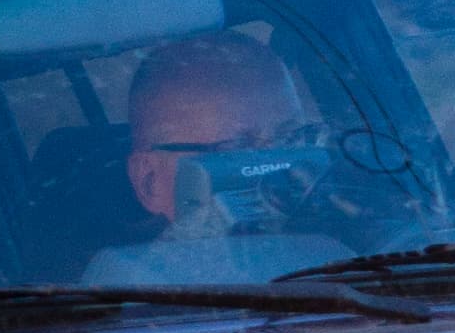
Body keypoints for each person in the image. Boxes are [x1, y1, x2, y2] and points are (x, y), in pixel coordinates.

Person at [83, 34, 332, 283]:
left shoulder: (346, 255)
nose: (281, 168)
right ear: (151, 182)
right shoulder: (128, 290)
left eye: (290, 138)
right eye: (237, 149)